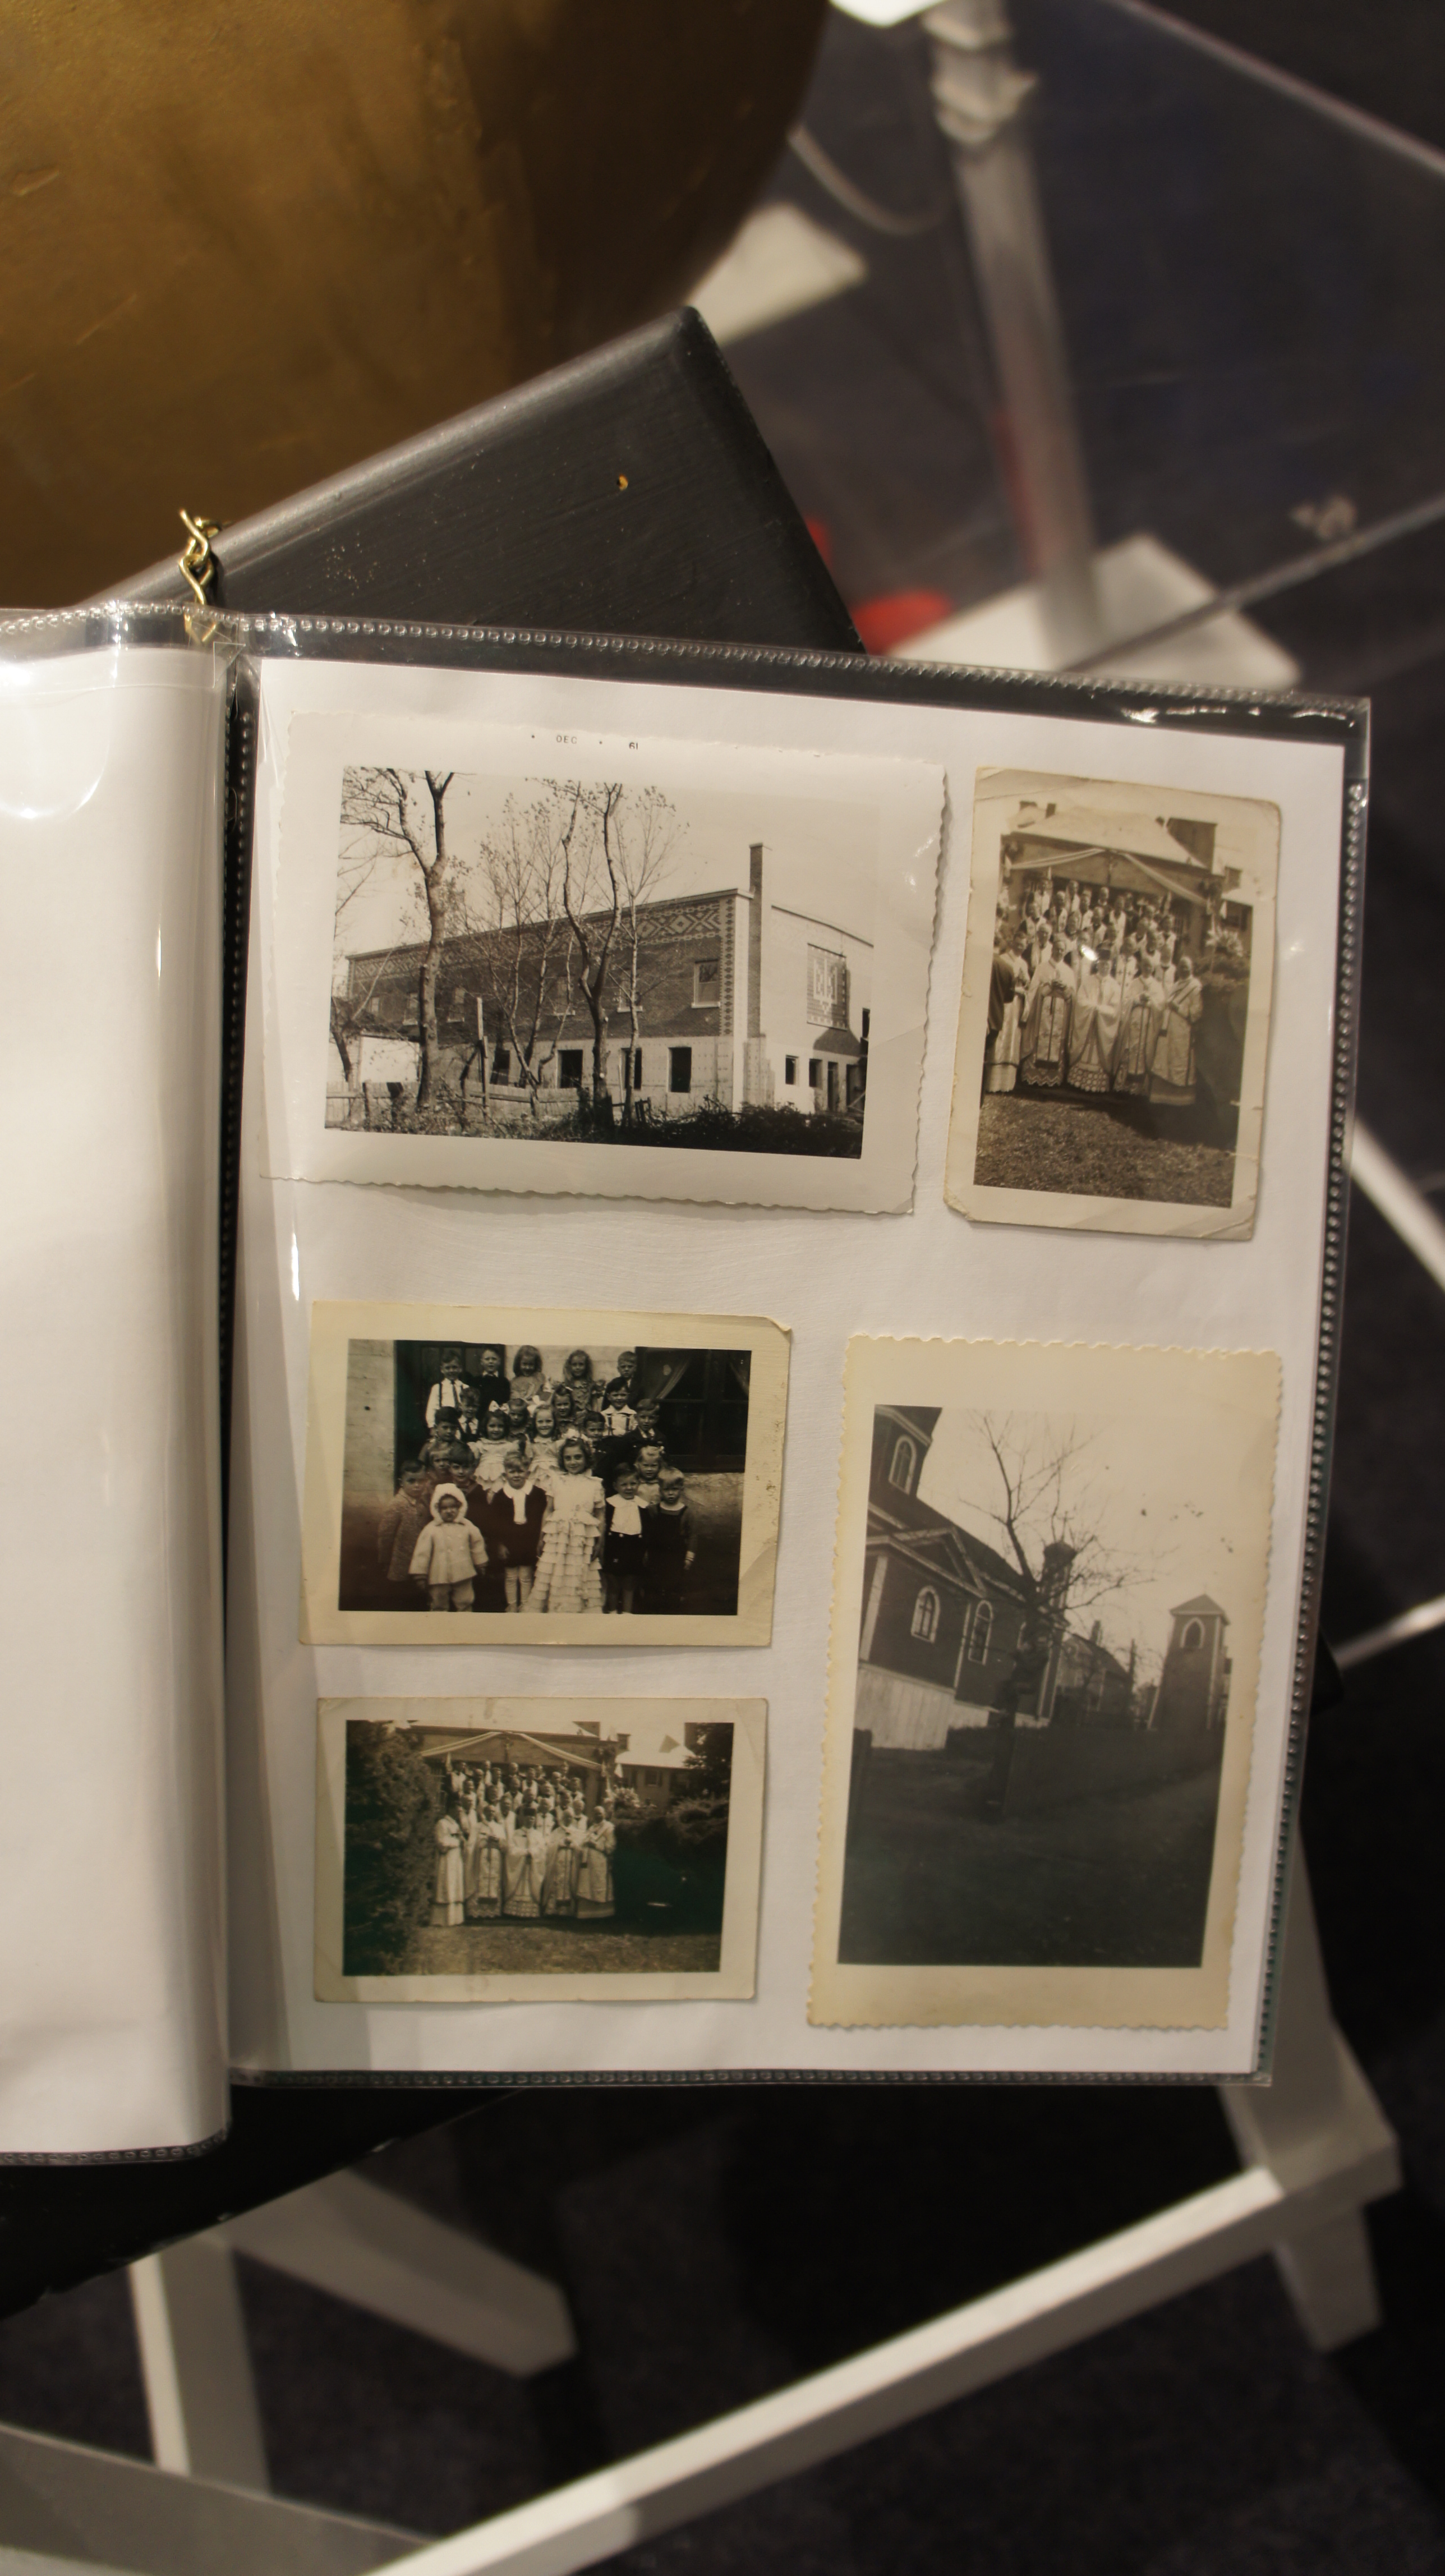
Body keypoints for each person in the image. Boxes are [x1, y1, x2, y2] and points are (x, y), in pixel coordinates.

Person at [530, 1434, 605, 1613]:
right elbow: (548, 1510)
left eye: (578, 1457)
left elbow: (601, 1515)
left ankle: (578, 1611)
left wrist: (600, 1542)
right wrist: (541, 1537)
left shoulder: (595, 1484)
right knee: (555, 1573)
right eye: (568, 1458)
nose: (573, 1462)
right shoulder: (556, 1480)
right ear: (562, 1460)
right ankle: (556, 1610)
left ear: (586, 1458)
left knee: (579, 1573)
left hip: (582, 1540)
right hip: (558, 1538)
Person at [475, 1451, 549, 1609]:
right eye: (512, 1471)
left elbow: (541, 1519)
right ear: (505, 1474)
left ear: (527, 1472)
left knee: (526, 1576)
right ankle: (512, 1606)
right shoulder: (501, 1496)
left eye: (520, 1471)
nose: (516, 1475)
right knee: (510, 1576)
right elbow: (495, 1524)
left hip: (529, 1541)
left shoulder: (537, 1494)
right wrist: (500, 1544)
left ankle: (526, 1606)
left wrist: (540, 1541)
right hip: (509, 1542)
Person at [409, 1485, 487, 1611]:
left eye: (453, 1507)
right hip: (439, 1574)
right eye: (444, 1508)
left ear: (460, 1507)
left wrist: (480, 1562)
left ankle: (466, 1616)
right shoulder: (431, 1529)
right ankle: (440, 1618)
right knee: (438, 1601)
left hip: (463, 1571)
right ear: (437, 1509)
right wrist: (420, 1574)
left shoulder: (467, 1526)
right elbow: (422, 1552)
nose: (449, 1511)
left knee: (465, 1600)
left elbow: (477, 1544)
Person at [1148, 952, 1204, 1106]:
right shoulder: (1176, 985)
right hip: (1168, 1031)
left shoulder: (1195, 987)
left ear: (1192, 968)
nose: (1183, 970)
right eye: (1181, 967)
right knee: (1165, 1063)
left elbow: (1196, 1013)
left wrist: (1178, 1008)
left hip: (1183, 1032)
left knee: (1179, 1062)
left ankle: (1181, 1101)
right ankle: (1163, 1098)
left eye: (1186, 967)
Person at [1019, 940, 1075, 1088]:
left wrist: (1065, 989)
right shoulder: (1042, 967)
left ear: (1065, 952)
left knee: (1056, 1043)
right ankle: (1034, 1075)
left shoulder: (1069, 971)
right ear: (1052, 950)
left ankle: (1054, 1077)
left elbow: (1072, 996)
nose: (1059, 952)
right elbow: (1033, 990)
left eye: (1062, 950)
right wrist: (1048, 987)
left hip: (1060, 1015)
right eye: (1057, 949)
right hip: (1041, 1012)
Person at [376, 1460, 433, 1599]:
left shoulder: (424, 1501)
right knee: (401, 1595)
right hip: (401, 1562)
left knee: (419, 1595)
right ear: (402, 1482)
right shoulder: (397, 1504)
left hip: (420, 1560)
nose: (417, 1486)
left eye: (421, 1481)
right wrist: (385, 1560)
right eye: (411, 1481)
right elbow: (385, 1535)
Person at [1112, 954, 1165, 1096]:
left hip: (1148, 1023)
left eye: (1150, 966)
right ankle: (1125, 1084)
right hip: (1134, 1022)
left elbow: (1161, 1006)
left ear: (1153, 968)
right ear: (1141, 966)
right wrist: (1137, 999)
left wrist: (1150, 1002)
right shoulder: (1134, 983)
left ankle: (1140, 1087)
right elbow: (1126, 1001)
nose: (1148, 968)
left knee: (1144, 1051)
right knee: (1132, 1049)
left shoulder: (1157, 985)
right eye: (1145, 965)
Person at [644, 1467, 695, 1613]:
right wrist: (646, 1552)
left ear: (681, 1490)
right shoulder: (654, 1510)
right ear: (660, 1490)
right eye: (667, 1490)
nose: (671, 1493)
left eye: (675, 1489)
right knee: (655, 1586)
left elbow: (693, 1535)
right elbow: (648, 1533)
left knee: (674, 1587)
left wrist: (690, 1556)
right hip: (657, 1556)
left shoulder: (686, 1512)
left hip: (676, 1556)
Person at [984, 929, 1028, 1096]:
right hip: (1004, 1003)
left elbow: (1025, 985)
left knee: (1011, 1037)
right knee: (1000, 1040)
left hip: (1015, 1005)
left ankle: (1007, 1083)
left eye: (1023, 946)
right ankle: (992, 1082)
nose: (1020, 948)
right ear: (1012, 943)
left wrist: (1024, 982)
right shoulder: (1003, 959)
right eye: (1017, 944)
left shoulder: (1024, 963)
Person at [602, 1466, 648, 1613]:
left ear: (639, 1484)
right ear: (616, 1486)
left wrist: (645, 1551)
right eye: (624, 1484)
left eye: (633, 1484)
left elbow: (646, 1530)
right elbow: (604, 1528)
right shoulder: (610, 1504)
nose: (629, 1488)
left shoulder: (643, 1506)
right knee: (614, 1584)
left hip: (635, 1547)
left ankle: (627, 1614)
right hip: (615, 1547)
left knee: (630, 1583)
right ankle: (612, 1612)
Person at [502, 1800, 550, 1918]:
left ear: (535, 1820)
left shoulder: (538, 1835)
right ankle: (513, 1912)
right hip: (519, 1866)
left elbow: (542, 1849)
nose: (530, 1821)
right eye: (528, 1818)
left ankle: (530, 1912)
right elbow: (511, 1849)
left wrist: (532, 1853)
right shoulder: (516, 1834)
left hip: (532, 1866)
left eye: (532, 1819)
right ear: (523, 1819)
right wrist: (524, 1853)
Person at [576, 1801, 616, 1921]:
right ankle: (587, 1914)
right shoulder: (591, 1828)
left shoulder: (609, 1828)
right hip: (587, 1863)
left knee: (599, 1885)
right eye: (596, 1814)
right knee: (587, 1886)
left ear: (605, 1814)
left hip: (600, 1863)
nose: (598, 1816)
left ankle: (602, 1915)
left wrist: (596, 1845)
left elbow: (611, 1846)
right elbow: (583, 1841)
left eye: (600, 1814)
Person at [429, 1808, 465, 1928]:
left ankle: (455, 1919)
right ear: (451, 1809)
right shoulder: (442, 1823)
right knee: (446, 1884)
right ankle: (443, 1920)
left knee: (455, 1885)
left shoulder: (456, 1825)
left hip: (456, 1859)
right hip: (447, 1860)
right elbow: (441, 1842)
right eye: (458, 1811)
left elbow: (461, 1841)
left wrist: (462, 1841)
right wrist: (456, 1842)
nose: (459, 1814)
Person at [424, 1353, 473, 1430]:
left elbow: (471, 1408)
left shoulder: (466, 1387)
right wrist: (432, 1427)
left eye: (454, 1367)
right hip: (445, 1427)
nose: (451, 1371)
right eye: (447, 1368)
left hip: (463, 1426)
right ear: (442, 1370)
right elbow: (431, 1410)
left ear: (460, 1368)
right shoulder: (437, 1388)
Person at [509, 1345, 551, 1413]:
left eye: (531, 1365)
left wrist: (538, 1401)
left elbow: (547, 1393)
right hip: (520, 1411)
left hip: (537, 1409)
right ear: (519, 1364)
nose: (528, 1368)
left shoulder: (541, 1378)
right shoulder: (514, 1382)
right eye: (525, 1364)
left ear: (536, 1364)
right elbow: (514, 1399)